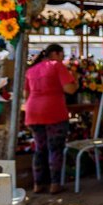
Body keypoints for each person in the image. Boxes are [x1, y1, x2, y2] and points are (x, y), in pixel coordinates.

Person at [24, 44, 78, 194]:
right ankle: (55, 184)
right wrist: (76, 80)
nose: (62, 58)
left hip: (33, 112)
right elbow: (69, 89)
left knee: (39, 149)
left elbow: (26, 95)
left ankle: (38, 184)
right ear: (55, 53)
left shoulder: (31, 70)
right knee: (55, 149)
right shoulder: (57, 66)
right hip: (53, 111)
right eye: (62, 54)